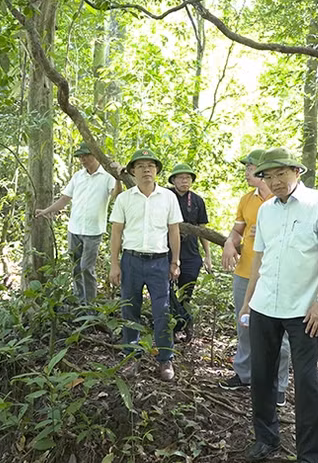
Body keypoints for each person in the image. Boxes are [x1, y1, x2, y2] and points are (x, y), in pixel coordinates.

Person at [239, 147, 318, 463]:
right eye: (270, 175)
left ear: (297, 171)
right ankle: (266, 438)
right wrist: (249, 302)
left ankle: (310, 457)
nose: (277, 181)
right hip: (266, 305)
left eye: (282, 173)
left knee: (307, 382)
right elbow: (259, 259)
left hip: (303, 310)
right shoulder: (266, 210)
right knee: (262, 375)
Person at [219, 149, 291, 408]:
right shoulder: (246, 199)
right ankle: (244, 373)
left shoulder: (281, 198)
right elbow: (238, 229)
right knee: (244, 324)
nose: (246, 172)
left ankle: (279, 384)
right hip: (244, 272)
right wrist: (229, 243)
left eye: (250, 167)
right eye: (246, 167)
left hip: (273, 276)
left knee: (279, 332)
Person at [109, 148, 183, 381]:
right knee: (130, 308)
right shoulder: (124, 198)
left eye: (150, 166)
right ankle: (131, 357)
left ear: (157, 170)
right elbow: (116, 232)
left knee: (162, 311)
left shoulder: (168, 197)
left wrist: (175, 261)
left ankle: (165, 358)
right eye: (140, 166)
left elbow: (174, 231)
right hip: (131, 260)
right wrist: (114, 264)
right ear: (132, 171)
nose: (146, 170)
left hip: (159, 262)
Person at [35, 143, 123, 303]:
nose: (83, 159)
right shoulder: (78, 176)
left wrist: (118, 179)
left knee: (86, 268)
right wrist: (46, 211)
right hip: (74, 229)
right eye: (80, 157)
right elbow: (64, 199)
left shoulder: (107, 177)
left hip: (93, 231)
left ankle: (90, 304)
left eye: (86, 156)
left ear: (95, 155)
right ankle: (79, 300)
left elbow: (117, 196)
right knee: (75, 267)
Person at [167, 163, 212, 302]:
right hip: (166, 252)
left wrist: (207, 255)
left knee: (186, 294)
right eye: (180, 178)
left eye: (188, 178)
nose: (184, 181)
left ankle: (185, 322)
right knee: (166, 293)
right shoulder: (164, 195)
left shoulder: (197, 201)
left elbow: (202, 229)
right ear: (173, 180)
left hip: (190, 254)